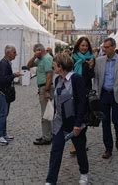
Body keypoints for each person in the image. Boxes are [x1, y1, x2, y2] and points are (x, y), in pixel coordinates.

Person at [46, 53, 89, 185]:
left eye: (55, 64)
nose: (53, 66)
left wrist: (78, 124)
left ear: (61, 65)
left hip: (75, 122)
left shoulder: (76, 79)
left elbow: (82, 102)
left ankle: (84, 173)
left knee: (80, 149)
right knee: (56, 150)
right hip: (60, 122)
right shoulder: (57, 79)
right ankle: (50, 180)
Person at [94, 38, 118, 160]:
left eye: (107, 47)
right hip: (104, 94)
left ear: (113, 47)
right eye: (104, 47)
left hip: (117, 94)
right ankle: (108, 149)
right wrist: (96, 94)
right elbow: (97, 79)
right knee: (105, 123)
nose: (105, 49)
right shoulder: (99, 61)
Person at [70, 37, 95, 155]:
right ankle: (74, 144)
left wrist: (90, 67)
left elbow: (92, 76)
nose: (84, 47)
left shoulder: (91, 59)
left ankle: (80, 144)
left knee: (85, 118)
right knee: (75, 116)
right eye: (82, 45)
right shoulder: (73, 58)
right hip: (74, 91)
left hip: (86, 92)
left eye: (86, 46)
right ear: (78, 46)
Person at [0, 45, 22, 145]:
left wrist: (12, 75)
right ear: (8, 53)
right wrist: (14, 75)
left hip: (5, 92)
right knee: (2, 114)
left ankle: (3, 134)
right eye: (14, 52)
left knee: (5, 114)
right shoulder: (3, 63)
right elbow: (1, 80)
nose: (16, 54)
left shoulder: (5, 62)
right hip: (3, 93)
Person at [27, 44, 53, 145]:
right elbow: (28, 66)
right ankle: (48, 135)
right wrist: (34, 56)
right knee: (46, 113)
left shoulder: (47, 59)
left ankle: (47, 137)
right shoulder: (40, 58)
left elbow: (49, 76)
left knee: (45, 114)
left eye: (35, 52)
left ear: (40, 50)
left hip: (45, 87)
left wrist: (46, 90)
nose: (35, 54)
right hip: (42, 87)